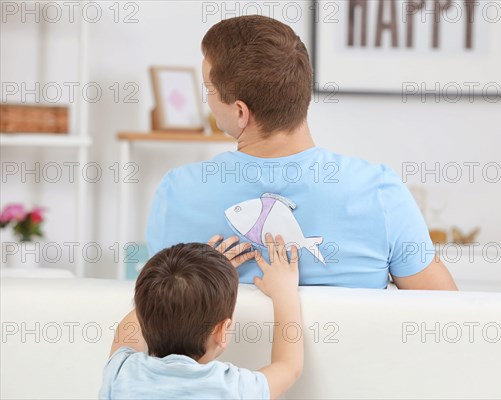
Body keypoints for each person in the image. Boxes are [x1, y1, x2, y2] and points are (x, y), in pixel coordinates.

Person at [146, 15, 457, 291]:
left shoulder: (177, 193)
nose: (208, 101)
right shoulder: (380, 190)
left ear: (241, 112)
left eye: (209, 90)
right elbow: (443, 313)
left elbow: (154, 318)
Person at [100, 234, 302, 399]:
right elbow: (288, 367)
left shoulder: (122, 375)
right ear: (222, 331)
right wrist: (284, 292)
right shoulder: (233, 389)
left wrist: (175, 288)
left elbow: (126, 333)